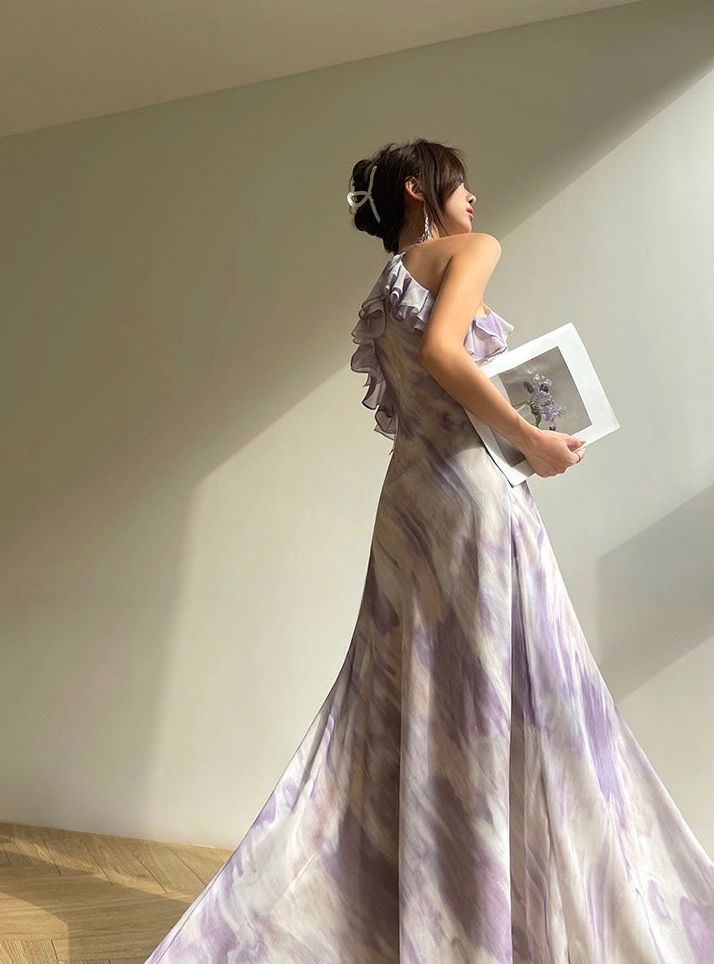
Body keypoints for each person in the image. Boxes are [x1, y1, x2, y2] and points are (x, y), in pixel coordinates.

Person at [143, 138, 714, 963]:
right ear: (419, 188)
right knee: (511, 695)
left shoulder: (385, 290)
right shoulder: (472, 250)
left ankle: (423, 910)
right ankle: (494, 917)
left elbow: (417, 397)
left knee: (412, 697)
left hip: (409, 505)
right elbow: (446, 354)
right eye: (461, 183)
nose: (474, 199)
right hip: (471, 500)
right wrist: (532, 437)